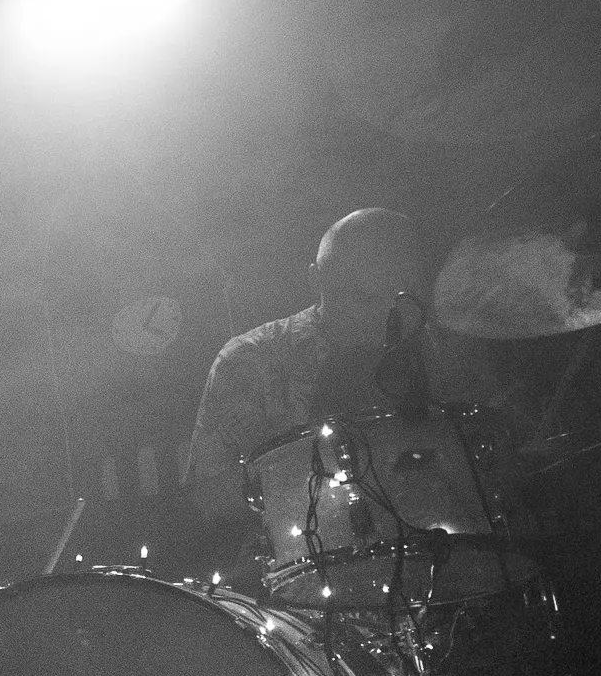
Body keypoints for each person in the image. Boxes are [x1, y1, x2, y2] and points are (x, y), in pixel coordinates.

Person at [188, 208, 511, 524]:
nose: (384, 314)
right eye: (363, 297)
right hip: (311, 545)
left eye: (402, 297)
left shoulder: (452, 350)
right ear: (315, 279)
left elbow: (505, 460)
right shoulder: (251, 359)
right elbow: (211, 496)